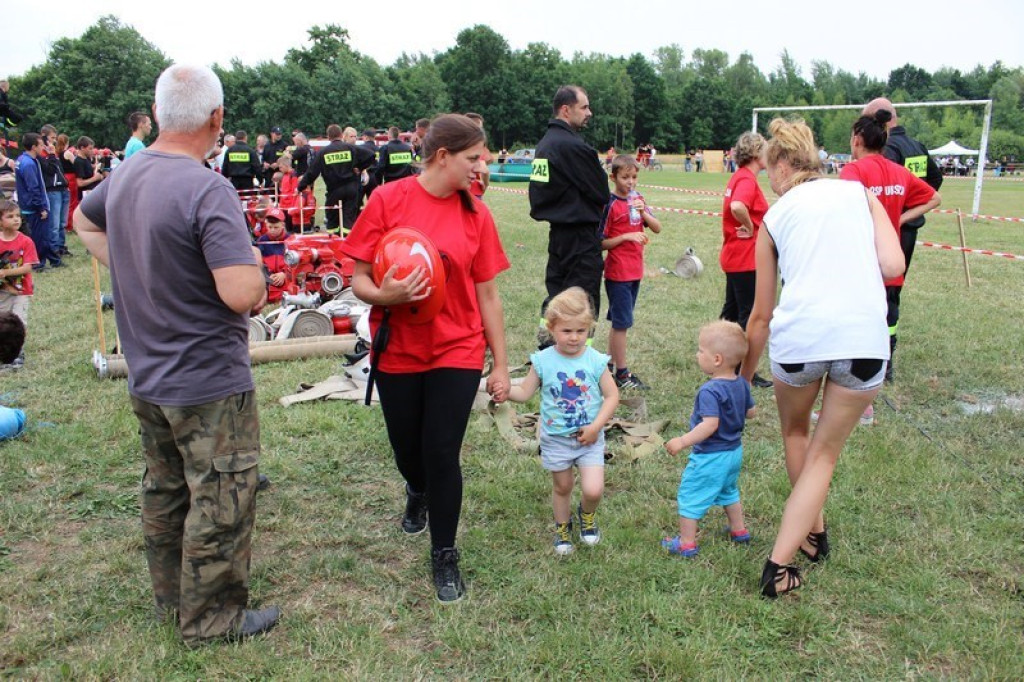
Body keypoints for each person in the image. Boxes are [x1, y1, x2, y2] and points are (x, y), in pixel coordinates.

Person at [73, 63, 280, 643]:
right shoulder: (205, 187)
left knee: (165, 490)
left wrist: (141, 270)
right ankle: (211, 620)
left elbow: (80, 223)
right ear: (216, 119)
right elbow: (241, 293)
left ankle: (173, 600)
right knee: (220, 497)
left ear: (159, 112)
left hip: (148, 372)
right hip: (208, 382)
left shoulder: (128, 173)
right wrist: (259, 268)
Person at [340, 113, 510, 603]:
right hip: (399, 348)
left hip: (457, 347)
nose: (482, 168)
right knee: (407, 450)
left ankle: (445, 552)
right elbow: (359, 280)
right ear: (441, 157)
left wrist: (499, 363)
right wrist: (385, 295)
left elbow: (490, 296)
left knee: (442, 453)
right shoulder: (389, 200)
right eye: (473, 158)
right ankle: (415, 489)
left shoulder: (476, 213)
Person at [741, 118, 904, 598]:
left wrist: (744, 379)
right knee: (824, 454)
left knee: (798, 436)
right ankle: (813, 535)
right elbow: (893, 265)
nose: (770, 179)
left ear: (785, 163)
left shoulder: (774, 217)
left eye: (771, 169)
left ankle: (779, 564)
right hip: (863, 340)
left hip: (800, 342)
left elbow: (760, 315)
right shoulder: (859, 194)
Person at [507, 287, 619, 555]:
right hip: (556, 438)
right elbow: (523, 392)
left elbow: (612, 395)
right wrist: (500, 388)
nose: (574, 338)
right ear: (551, 327)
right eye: (567, 331)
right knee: (563, 486)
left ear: (589, 329)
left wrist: (596, 427)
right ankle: (562, 527)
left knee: (593, 490)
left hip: (589, 438)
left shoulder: (595, 360)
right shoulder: (543, 361)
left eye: (580, 331)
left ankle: (586, 516)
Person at [842, 110, 941, 389]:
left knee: (859, 311)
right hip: (891, 256)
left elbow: (845, 210)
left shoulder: (853, 171)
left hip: (863, 255)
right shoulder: (898, 172)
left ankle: (859, 367)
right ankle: (885, 364)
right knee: (889, 308)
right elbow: (935, 197)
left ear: (858, 140)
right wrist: (900, 218)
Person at [662, 320, 755, 557]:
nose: (697, 354)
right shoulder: (742, 383)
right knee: (728, 490)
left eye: (701, 350)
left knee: (690, 494)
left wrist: (682, 441)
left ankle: (686, 543)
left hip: (711, 456)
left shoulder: (710, 391)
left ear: (716, 359)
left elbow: (710, 425)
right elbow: (751, 413)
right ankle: (739, 530)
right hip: (734, 452)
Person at [529, 85, 610, 345]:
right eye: (584, 107)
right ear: (566, 109)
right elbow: (601, 191)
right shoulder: (572, 147)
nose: (590, 113)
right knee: (582, 300)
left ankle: (546, 347)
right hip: (580, 237)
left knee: (557, 293)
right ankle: (579, 363)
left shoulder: (545, 144)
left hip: (559, 236)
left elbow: (538, 195)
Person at [601, 154, 661, 390]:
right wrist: (626, 236)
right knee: (622, 323)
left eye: (634, 177)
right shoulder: (610, 204)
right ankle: (623, 374)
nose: (631, 182)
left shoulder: (638, 199)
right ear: (613, 177)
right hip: (618, 273)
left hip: (635, 271)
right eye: (625, 177)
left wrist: (644, 211)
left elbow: (657, 227)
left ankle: (608, 365)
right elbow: (600, 242)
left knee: (619, 323)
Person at [720, 132, 772, 389]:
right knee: (748, 316)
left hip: (735, 255)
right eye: (764, 150)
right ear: (755, 153)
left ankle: (719, 359)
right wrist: (751, 226)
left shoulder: (739, 176)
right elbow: (738, 206)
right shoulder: (747, 180)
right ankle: (742, 370)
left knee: (731, 312)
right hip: (745, 257)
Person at [298, 124, 375, 236]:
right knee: (348, 219)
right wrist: (360, 167)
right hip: (351, 189)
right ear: (341, 135)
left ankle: (334, 241)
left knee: (332, 220)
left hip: (334, 190)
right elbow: (371, 156)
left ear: (328, 137)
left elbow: (311, 173)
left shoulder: (323, 152)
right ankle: (347, 240)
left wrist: (300, 187)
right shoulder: (350, 148)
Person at [0, 198, 38, 369]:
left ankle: (18, 352)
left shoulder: (25, 241)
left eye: (18, 216)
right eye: (10, 216)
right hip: (3, 291)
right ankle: (4, 352)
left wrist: (5, 272)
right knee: (3, 322)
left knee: (19, 322)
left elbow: (27, 268)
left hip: (22, 290)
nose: (16, 219)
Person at [14, 133, 56, 270]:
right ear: (33, 147)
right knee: (39, 236)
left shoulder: (22, 159)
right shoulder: (28, 164)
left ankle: (51, 259)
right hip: (33, 207)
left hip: (28, 205)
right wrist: (41, 208)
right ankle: (38, 263)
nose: (43, 147)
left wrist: (51, 154)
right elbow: (33, 188)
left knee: (40, 235)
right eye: (41, 145)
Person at [38, 125, 71, 259]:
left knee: (62, 222)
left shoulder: (54, 153)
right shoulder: (43, 154)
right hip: (52, 190)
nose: (54, 141)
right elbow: (50, 171)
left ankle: (61, 246)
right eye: (51, 138)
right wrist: (51, 154)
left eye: (55, 138)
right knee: (54, 223)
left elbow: (59, 170)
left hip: (62, 188)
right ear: (44, 137)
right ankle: (54, 250)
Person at [256, 208, 293, 303]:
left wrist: (284, 274)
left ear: (283, 225)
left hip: (287, 279)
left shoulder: (291, 241)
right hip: (268, 279)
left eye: (276, 227)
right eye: (269, 227)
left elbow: (296, 264)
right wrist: (267, 275)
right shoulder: (261, 241)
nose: (272, 230)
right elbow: (258, 264)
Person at [463, 112, 491, 198]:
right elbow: (485, 170)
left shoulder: (454, 144)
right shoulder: (476, 146)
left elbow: (489, 159)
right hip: (473, 191)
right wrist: (485, 184)